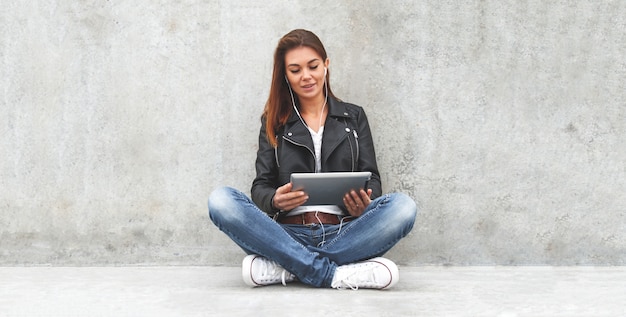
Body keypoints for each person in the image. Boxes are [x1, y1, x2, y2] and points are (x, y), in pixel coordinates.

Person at [208, 29, 417, 290]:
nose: (306, 76)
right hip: (287, 234)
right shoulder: (274, 121)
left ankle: (288, 267)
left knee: (403, 207)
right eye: (295, 70)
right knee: (221, 201)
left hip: (345, 231)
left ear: (326, 65)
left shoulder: (354, 117)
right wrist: (274, 200)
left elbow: (372, 178)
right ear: (285, 75)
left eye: (313, 66)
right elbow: (261, 186)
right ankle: (333, 274)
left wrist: (363, 203)